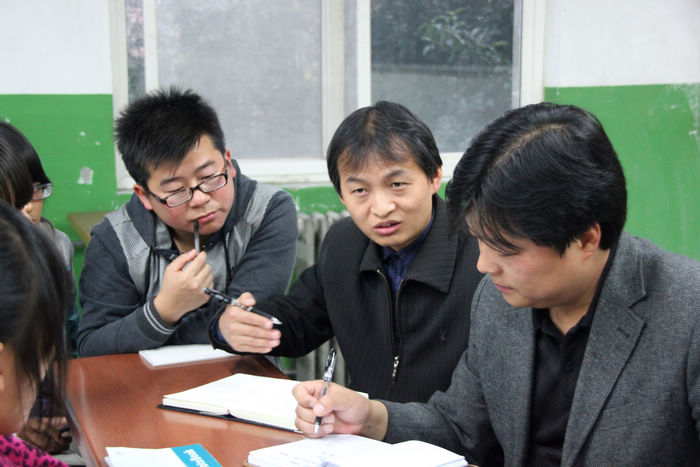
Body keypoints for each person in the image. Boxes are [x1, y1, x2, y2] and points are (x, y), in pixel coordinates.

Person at [291, 103, 700, 465]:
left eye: (506, 250)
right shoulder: (499, 301)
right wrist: (370, 417)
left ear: (585, 239)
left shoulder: (687, 317)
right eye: (480, 242)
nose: (484, 265)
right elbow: (460, 427)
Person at [212, 101, 483, 403]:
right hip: (361, 427)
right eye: (360, 191)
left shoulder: (483, 256)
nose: (381, 208)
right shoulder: (345, 243)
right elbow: (300, 320)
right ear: (342, 195)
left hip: (449, 430)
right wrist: (233, 326)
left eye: (397, 184)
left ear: (434, 177)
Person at [76, 88, 298, 356]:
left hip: (243, 374)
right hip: (148, 380)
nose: (200, 199)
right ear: (144, 195)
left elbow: (245, 323)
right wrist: (164, 310)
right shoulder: (115, 239)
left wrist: (219, 328)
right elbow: (92, 347)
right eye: (176, 190)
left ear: (228, 163)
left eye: (209, 177)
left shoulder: (266, 211)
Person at [0, 122, 75, 454]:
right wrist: (17, 431)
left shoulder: (54, 248)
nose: (28, 208)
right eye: (10, 203)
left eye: (33, 191)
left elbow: (61, 341)